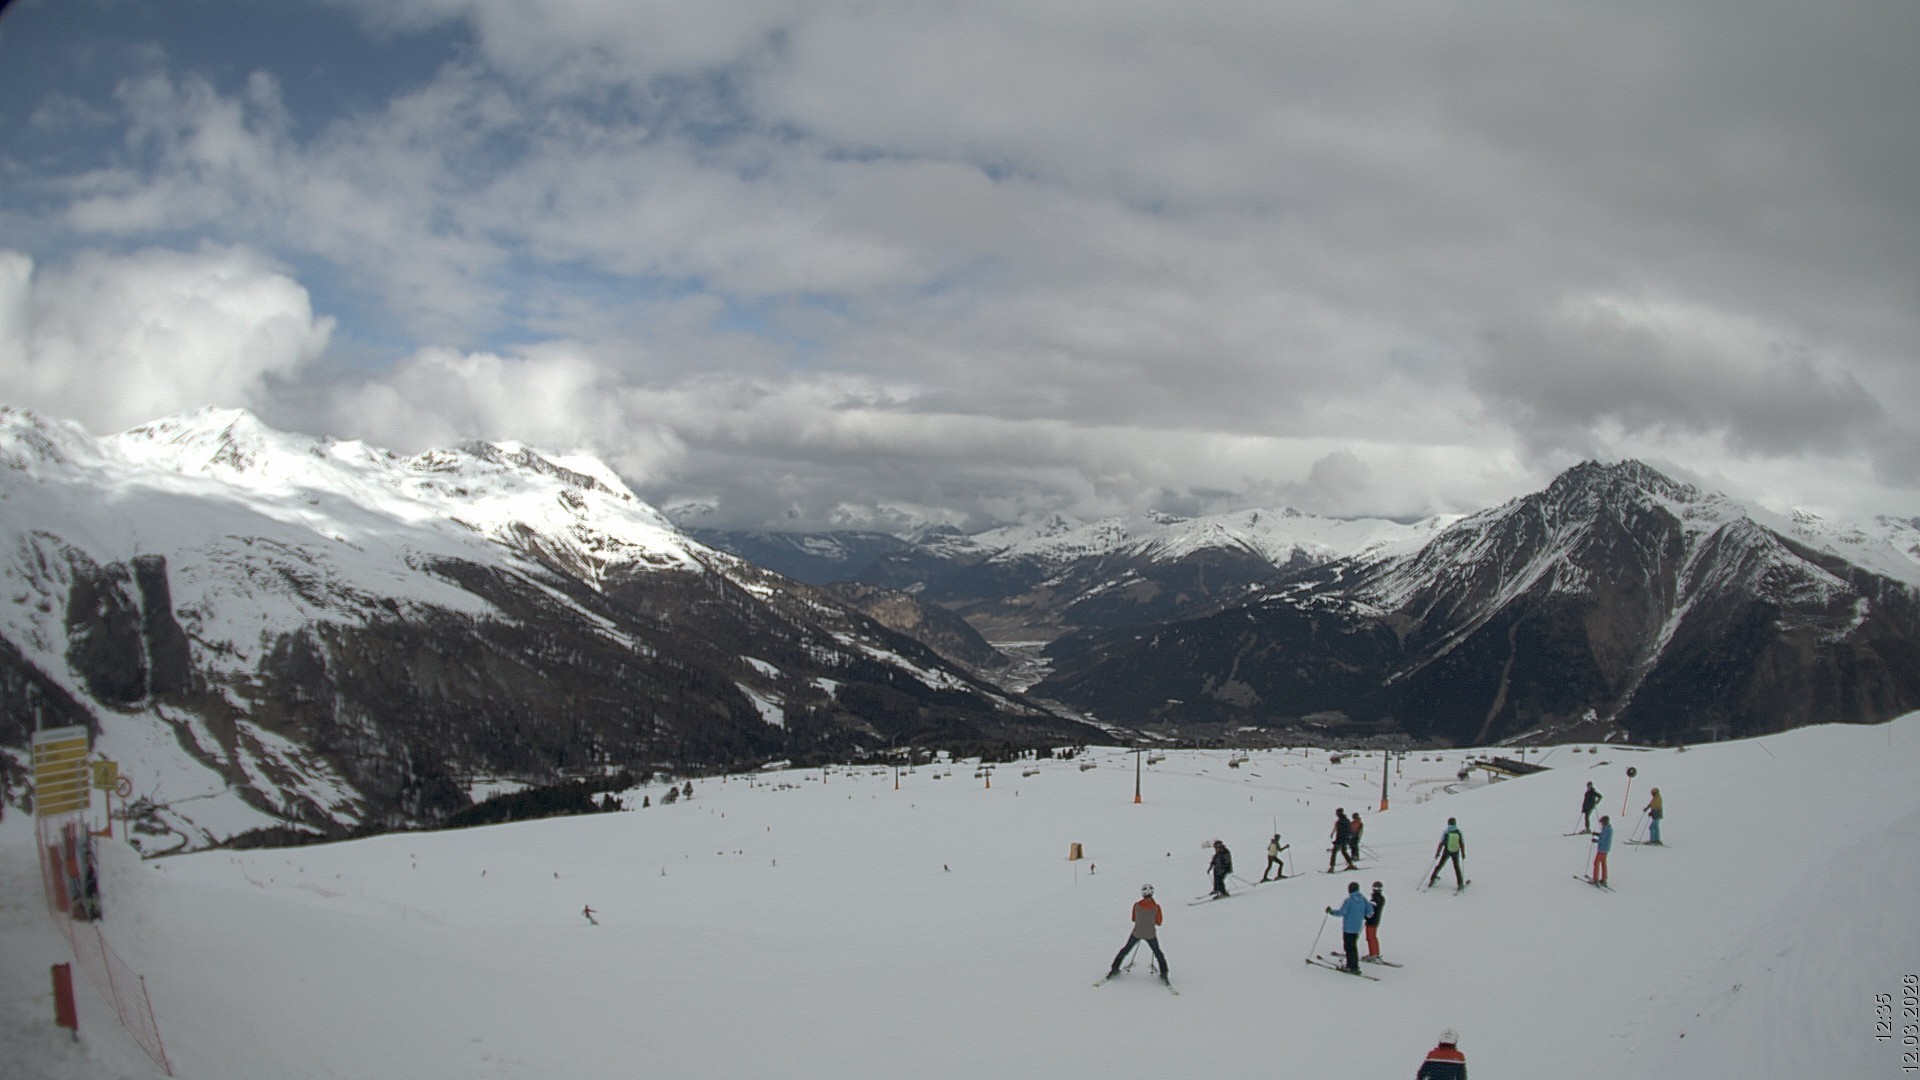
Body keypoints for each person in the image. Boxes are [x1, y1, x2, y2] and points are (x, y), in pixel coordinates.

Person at [1108, 884, 1170, 982]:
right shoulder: (1156, 907)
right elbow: (1159, 922)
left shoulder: (1136, 905)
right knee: (1158, 953)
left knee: (1125, 950)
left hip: (1137, 933)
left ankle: (1114, 968)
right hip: (1150, 934)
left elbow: (1133, 919)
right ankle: (1164, 973)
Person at [1326, 881, 1374, 973]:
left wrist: (1331, 912)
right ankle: (1354, 965)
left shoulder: (1349, 901)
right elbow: (1370, 912)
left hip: (1348, 928)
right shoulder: (1363, 899)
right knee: (1353, 946)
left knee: (1348, 947)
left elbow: (1342, 912)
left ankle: (1351, 966)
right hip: (1357, 927)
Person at [1428, 817, 1466, 888]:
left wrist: (1438, 853)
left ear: (1448, 823)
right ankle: (1460, 883)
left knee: (1440, 865)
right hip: (1455, 852)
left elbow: (1441, 843)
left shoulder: (1446, 832)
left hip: (1447, 851)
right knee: (1456, 867)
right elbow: (1462, 843)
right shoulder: (1459, 832)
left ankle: (1432, 879)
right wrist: (1463, 853)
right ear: (1455, 823)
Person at [1363, 881, 1386, 961]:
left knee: (1370, 937)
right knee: (1373, 937)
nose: (1375, 889)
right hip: (1375, 920)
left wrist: (1365, 916)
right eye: (1375, 887)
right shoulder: (1381, 898)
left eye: (1377, 888)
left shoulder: (1375, 899)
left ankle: (1373, 954)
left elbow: (1371, 910)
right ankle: (1375, 953)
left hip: (1371, 921)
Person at [1592, 815, 1613, 884]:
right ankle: (1604, 878)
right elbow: (1602, 835)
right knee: (1603, 863)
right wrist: (1597, 834)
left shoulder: (1606, 830)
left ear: (1605, 822)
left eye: (1602, 823)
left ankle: (1595, 879)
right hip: (1606, 849)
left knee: (1596, 863)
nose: (1601, 824)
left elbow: (1603, 840)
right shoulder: (1608, 828)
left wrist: (1595, 840)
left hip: (1602, 849)